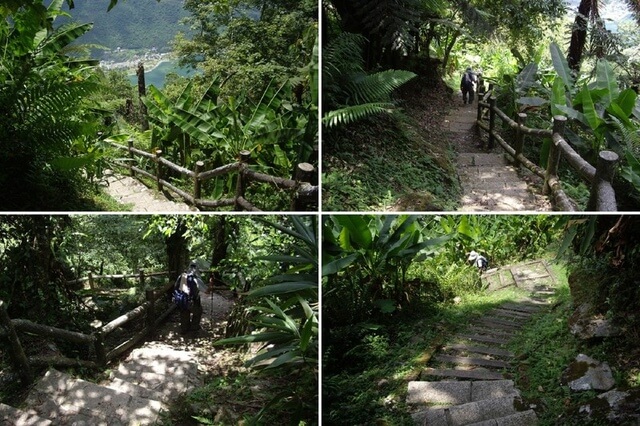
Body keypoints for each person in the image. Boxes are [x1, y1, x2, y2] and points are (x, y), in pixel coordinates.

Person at [173, 261, 205, 334]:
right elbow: (206, 290)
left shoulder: (181, 276)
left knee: (184, 313)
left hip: (182, 300)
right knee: (198, 312)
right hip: (193, 300)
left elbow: (175, 287)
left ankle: (184, 328)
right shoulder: (196, 278)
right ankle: (194, 327)